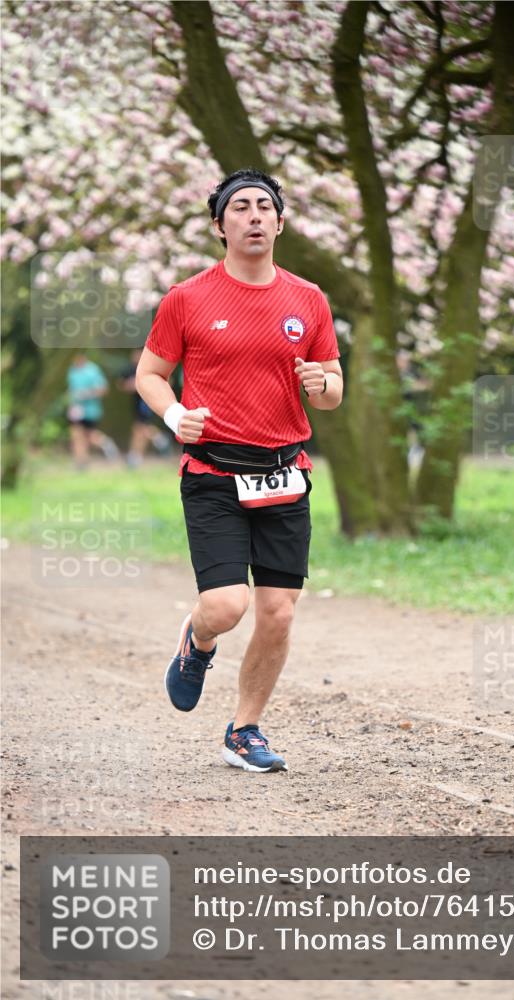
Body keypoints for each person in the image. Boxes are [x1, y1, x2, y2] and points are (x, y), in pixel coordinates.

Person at [136, 168, 343, 773]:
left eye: (264, 207)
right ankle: (196, 642)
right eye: (240, 208)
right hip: (213, 473)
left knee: (278, 611)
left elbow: (332, 393)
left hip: (285, 473)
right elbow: (150, 373)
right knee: (227, 606)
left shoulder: (309, 300)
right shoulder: (188, 298)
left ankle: (244, 730)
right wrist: (176, 415)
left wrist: (321, 382)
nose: (253, 216)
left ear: (280, 222)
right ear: (220, 226)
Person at [118, 348, 171, 467]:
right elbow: (122, 384)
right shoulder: (131, 369)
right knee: (140, 430)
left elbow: (165, 382)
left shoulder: (151, 368)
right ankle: (159, 440)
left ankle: (135, 457)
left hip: (145, 402)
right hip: (136, 403)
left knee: (139, 428)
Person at [66, 353, 119, 470]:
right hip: (76, 410)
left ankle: (105, 444)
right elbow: (71, 390)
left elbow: (103, 389)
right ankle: (81, 462)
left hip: (90, 410)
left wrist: (86, 394)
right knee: (76, 434)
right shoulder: (72, 370)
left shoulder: (92, 370)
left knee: (88, 435)